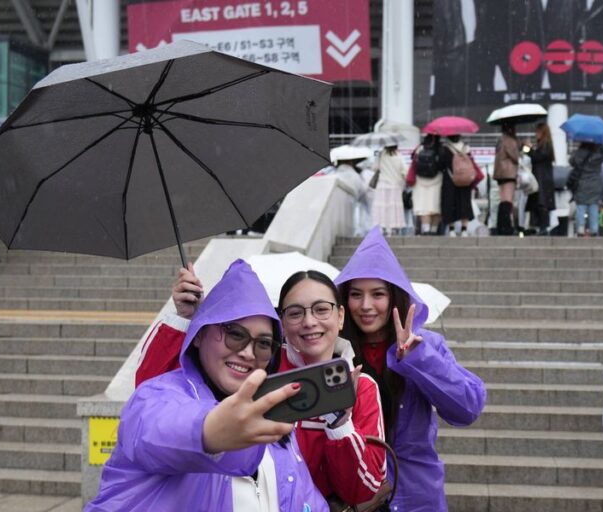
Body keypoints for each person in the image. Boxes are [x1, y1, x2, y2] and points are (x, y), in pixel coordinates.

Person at [136, 265, 390, 508]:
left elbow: (362, 489)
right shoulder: (258, 371)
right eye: (295, 312)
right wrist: (186, 320)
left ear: (341, 316)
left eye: (322, 309)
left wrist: (339, 424)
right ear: (281, 322)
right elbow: (157, 399)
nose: (310, 322)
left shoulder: (361, 387)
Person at [88, 260, 328, 511]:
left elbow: (305, 498)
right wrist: (210, 430)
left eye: (264, 343)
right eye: (235, 334)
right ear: (199, 335)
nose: (248, 352)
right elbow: (157, 427)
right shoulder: (155, 396)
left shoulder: (275, 426)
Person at [334, 226, 486, 512]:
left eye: (378, 294)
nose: (366, 306)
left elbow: (467, 408)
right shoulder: (333, 351)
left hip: (416, 496)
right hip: (352, 497)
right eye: (356, 294)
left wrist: (419, 360)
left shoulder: (426, 344)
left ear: (395, 297)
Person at [439, 135, 477, 237]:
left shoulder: (445, 149)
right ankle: (464, 230)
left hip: (450, 181)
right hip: (465, 181)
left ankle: (452, 230)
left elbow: (441, 165)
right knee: (465, 203)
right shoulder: (466, 148)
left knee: (449, 203)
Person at [568, 141, 603, 238]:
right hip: (595, 184)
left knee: (581, 206)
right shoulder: (598, 154)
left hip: (582, 183)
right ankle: (594, 229)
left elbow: (571, 162)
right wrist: (601, 145)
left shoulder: (578, 153)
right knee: (593, 207)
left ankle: (580, 228)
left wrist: (577, 151)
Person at [525, 122, 555, 235]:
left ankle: (543, 227)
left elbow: (537, 157)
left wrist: (528, 149)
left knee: (542, 203)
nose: (536, 134)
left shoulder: (546, 145)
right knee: (539, 203)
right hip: (541, 177)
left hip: (542, 178)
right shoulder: (544, 145)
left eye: (537, 132)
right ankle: (540, 227)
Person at [371, 145, 408, 236]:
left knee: (383, 207)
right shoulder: (399, 156)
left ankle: (383, 227)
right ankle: (393, 228)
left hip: (382, 185)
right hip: (395, 185)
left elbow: (374, 168)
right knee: (393, 207)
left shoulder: (381, 155)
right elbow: (405, 171)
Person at [411, 135, 443, 235]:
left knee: (423, 207)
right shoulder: (440, 149)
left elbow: (413, 161)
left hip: (420, 181)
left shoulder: (419, 149)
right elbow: (443, 164)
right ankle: (434, 230)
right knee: (436, 208)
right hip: (437, 181)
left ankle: (426, 230)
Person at [493, 123, 520, 235]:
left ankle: (500, 226)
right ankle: (506, 227)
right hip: (508, 173)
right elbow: (515, 157)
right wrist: (520, 145)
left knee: (503, 200)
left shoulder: (500, 140)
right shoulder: (510, 140)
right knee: (508, 201)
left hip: (500, 173)